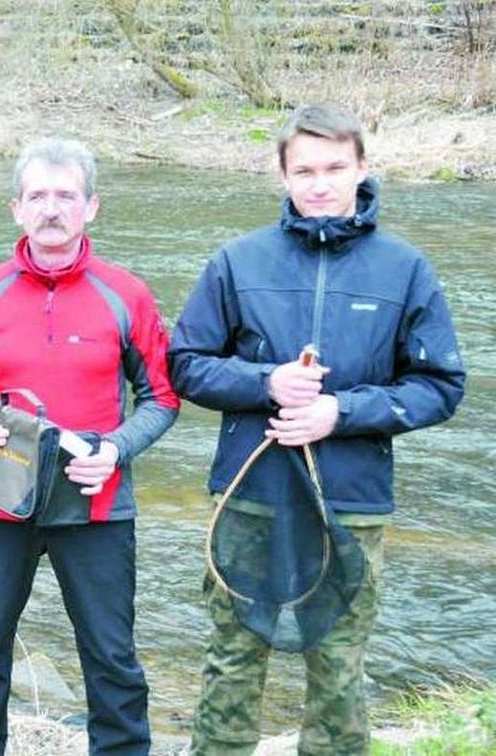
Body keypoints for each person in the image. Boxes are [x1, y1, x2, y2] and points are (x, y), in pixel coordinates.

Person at [169, 104, 466, 755]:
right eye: (305, 170)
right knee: (231, 663)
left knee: (338, 672)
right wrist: (264, 383)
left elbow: (441, 386)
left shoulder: (405, 269)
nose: (321, 183)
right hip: (249, 498)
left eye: (335, 167)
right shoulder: (237, 261)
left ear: (362, 167)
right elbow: (185, 365)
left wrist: (342, 412)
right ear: (281, 175)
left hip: (349, 506)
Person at [0, 137, 180, 755]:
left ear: (92, 207)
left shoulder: (128, 295)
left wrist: (116, 449)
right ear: (16, 208)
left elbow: (163, 400)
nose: (51, 209)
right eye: (37, 195)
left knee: (111, 657)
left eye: (66, 195)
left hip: (95, 503)